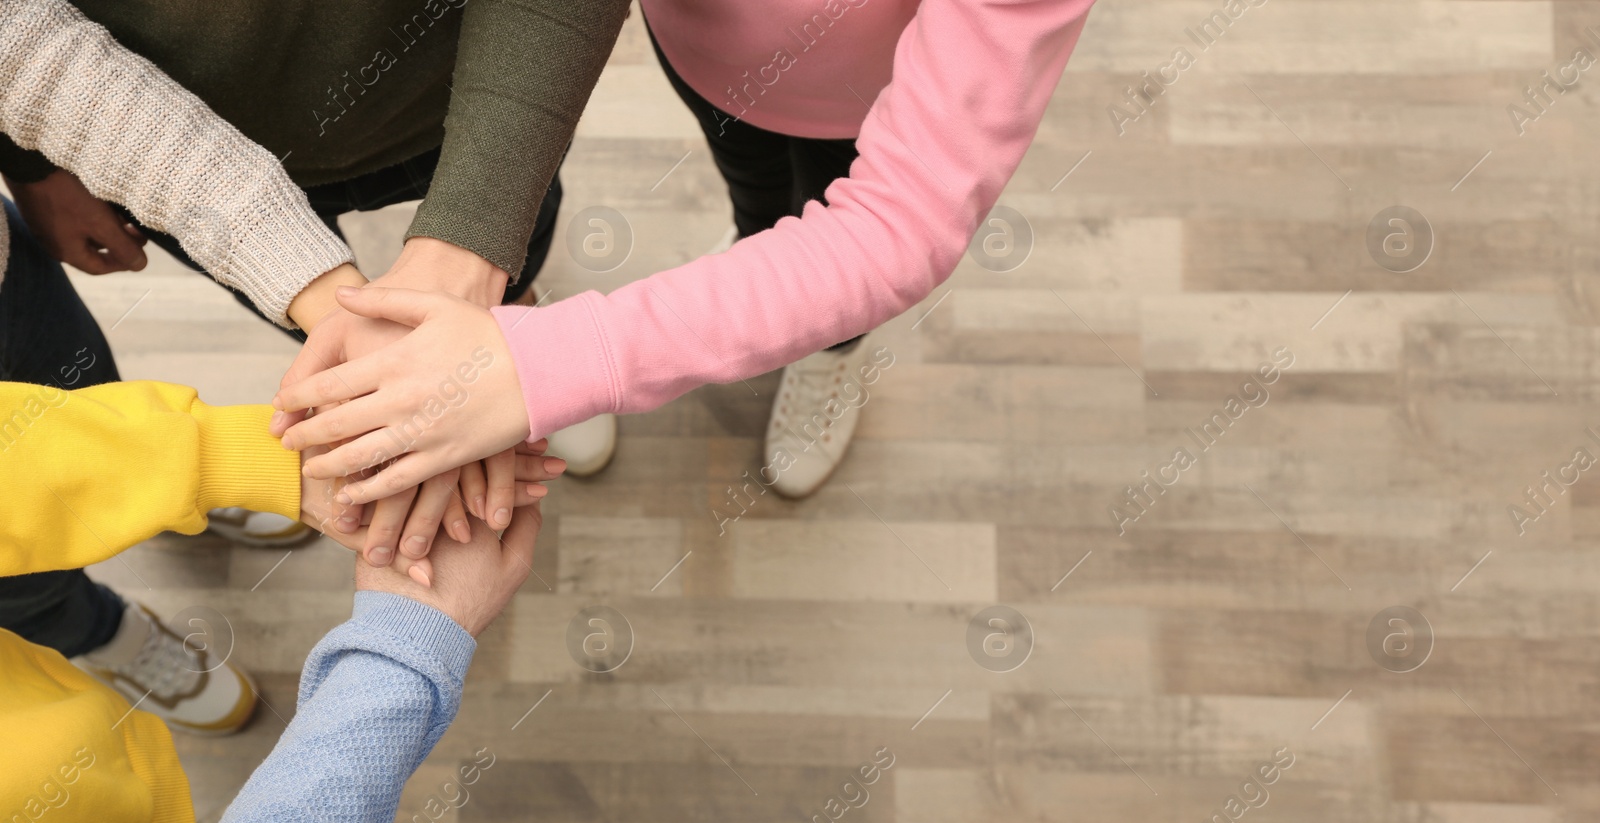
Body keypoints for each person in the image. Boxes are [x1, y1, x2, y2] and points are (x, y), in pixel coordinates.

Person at [273, 0, 1098, 501]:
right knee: (756, 194)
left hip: (869, 101)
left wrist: (548, 363)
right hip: (704, 63)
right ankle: (761, 249)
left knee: (832, 244)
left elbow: (902, 221)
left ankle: (827, 345)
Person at [1, 0, 633, 569]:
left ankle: (513, 322)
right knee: (302, 313)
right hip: (155, 138)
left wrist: (472, 256)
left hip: (448, 88)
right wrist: (31, 163)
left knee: (521, 228)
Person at [0, 411, 542, 823]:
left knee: (50, 576)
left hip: (112, 798)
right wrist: (409, 635)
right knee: (50, 607)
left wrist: (240, 465)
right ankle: (110, 635)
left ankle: (170, 509)